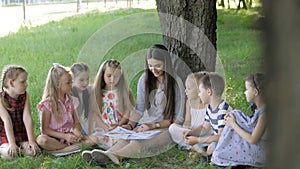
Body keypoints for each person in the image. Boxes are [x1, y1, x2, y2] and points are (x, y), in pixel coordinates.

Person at [82, 44, 185, 165]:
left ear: (166, 64)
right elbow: (139, 110)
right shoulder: (145, 79)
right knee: (125, 138)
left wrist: (153, 126)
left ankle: (113, 156)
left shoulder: (176, 82)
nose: (154, 70)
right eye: (150, 66)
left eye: (158, 66)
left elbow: (178, 118)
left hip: (167, 130)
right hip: (146, 126)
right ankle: (102, 156)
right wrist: (130, 125)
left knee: (137, 142)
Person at [211, 73, 267, 168]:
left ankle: (219, 156)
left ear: (255, 92)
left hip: (262, 152)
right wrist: (233, 118)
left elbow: (252, 139)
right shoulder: (261, 110)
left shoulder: (265, 114)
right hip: (259, 147)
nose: (245, 92)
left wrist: (233, 124)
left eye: (247, 89)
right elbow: (250, 125)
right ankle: (218, 155)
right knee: (235, 114)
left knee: (234, 118)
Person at [36, 63, 92, 154]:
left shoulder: (72, 101)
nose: (71, 85)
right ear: (58, 84)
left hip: (70, 136)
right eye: (68, 83)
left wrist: (76, 130)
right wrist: (64, 136)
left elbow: (77, 122)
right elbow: (45, 130)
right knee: (41, 140)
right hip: (54, 138)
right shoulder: (47, 104)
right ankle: (67, 149)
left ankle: (59, 151)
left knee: (94, 140)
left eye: (71, 82)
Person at [183, 72, 232, 163]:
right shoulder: (210, 108)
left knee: (212, 146)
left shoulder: (223, 110)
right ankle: (204, 153)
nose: (199, 95)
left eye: (200, 92)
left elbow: (221, 137)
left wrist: (197, 139)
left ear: (209, 92)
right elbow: (205, 127)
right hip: (216, 139)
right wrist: (191, 133)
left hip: (227, 141)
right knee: (201, 143)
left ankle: (205, 155)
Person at [87, 59, 135, 150]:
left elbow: (127, 111)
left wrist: (120, 124)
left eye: (116, 76)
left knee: (122, 140)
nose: (112, 79)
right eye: (109, 76)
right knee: (94, 139)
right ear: (102, 75)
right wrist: (104, 126)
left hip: (119, 127)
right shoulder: (98, 93)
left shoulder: (123, 91)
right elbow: (94, 113)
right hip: (103, 128)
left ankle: (110, 153)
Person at [0, 65, 39, 159]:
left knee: (33, 150)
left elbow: (27, 118)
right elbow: (7, 120)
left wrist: (31, 141)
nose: (26, 84)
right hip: (5, 136)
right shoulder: (1, 98)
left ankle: (21, 151)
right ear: (11, 83)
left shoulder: (25, 96)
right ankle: (8, 150)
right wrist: (12, 144)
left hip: (20, 134)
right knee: (10, 154)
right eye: (23, 82)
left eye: (26, 81)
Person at [169, 72, 212, 152]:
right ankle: (194, 146)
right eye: (186, 88)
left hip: (203, 132)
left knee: (210, 133)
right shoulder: (189, 102)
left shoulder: (207, 104)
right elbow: (187, 120)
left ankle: (194, 145)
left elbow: (206, 126)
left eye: (189, 88)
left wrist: (192, 132)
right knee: (173, 128)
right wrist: (186, 127)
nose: (186, 91)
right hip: (191, 131)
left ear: (199, 89)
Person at [70, 62, 93, 134]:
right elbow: (75, 119)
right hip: (71, 125)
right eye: (81, 80)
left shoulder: (88, 90)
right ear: (72, 79)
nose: (86, 83)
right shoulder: (70, 94)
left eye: (87, 79)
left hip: (79, 122)